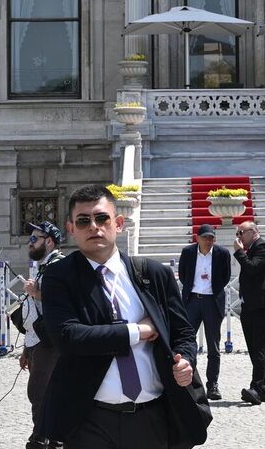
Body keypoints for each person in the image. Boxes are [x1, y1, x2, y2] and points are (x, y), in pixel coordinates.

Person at [37, 185, 211, 449]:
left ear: (118, 223)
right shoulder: (59, 277)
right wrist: (138, 331)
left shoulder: (153, 274)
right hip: (89, 419)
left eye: (101, 218)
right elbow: (68, 337)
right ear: (71, 229)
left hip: (152, 415)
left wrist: (185, 360)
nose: (93, 226)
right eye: (83, 221)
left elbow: (182, 333)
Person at [22, 220, 67, 449]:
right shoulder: (45, 265)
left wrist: (34, 292)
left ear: (49, 242)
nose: (29, 243)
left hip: (50, 342)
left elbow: (60, 300)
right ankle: (49, 437)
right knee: (41, 391)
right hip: (38, 340)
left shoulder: (58, 265)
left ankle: (43, 438)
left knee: (40, 392)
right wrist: (26, 348)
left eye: (34, 239)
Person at [177, 224, 232, 399]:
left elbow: (225, 276)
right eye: (205, 238)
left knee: (213, 346)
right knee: (187, 343)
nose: (208, 241)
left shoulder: (222, 253)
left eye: (211, 238)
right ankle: (189, 382)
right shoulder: (188, 252)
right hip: (192, 300)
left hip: (212, 301)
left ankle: (212, 384)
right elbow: (183, 274)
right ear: (198, 238)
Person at [233, 219, 265, 405]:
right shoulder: (253, 249)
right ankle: (264, 389)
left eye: (241, 233)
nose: (239, 237)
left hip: (263, 306)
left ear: (253, 232)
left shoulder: (264, 247)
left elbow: (252, 268)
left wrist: (239, 252)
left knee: (259, 348)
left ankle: (257, 387)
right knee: (254, 349)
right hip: (250, 305)